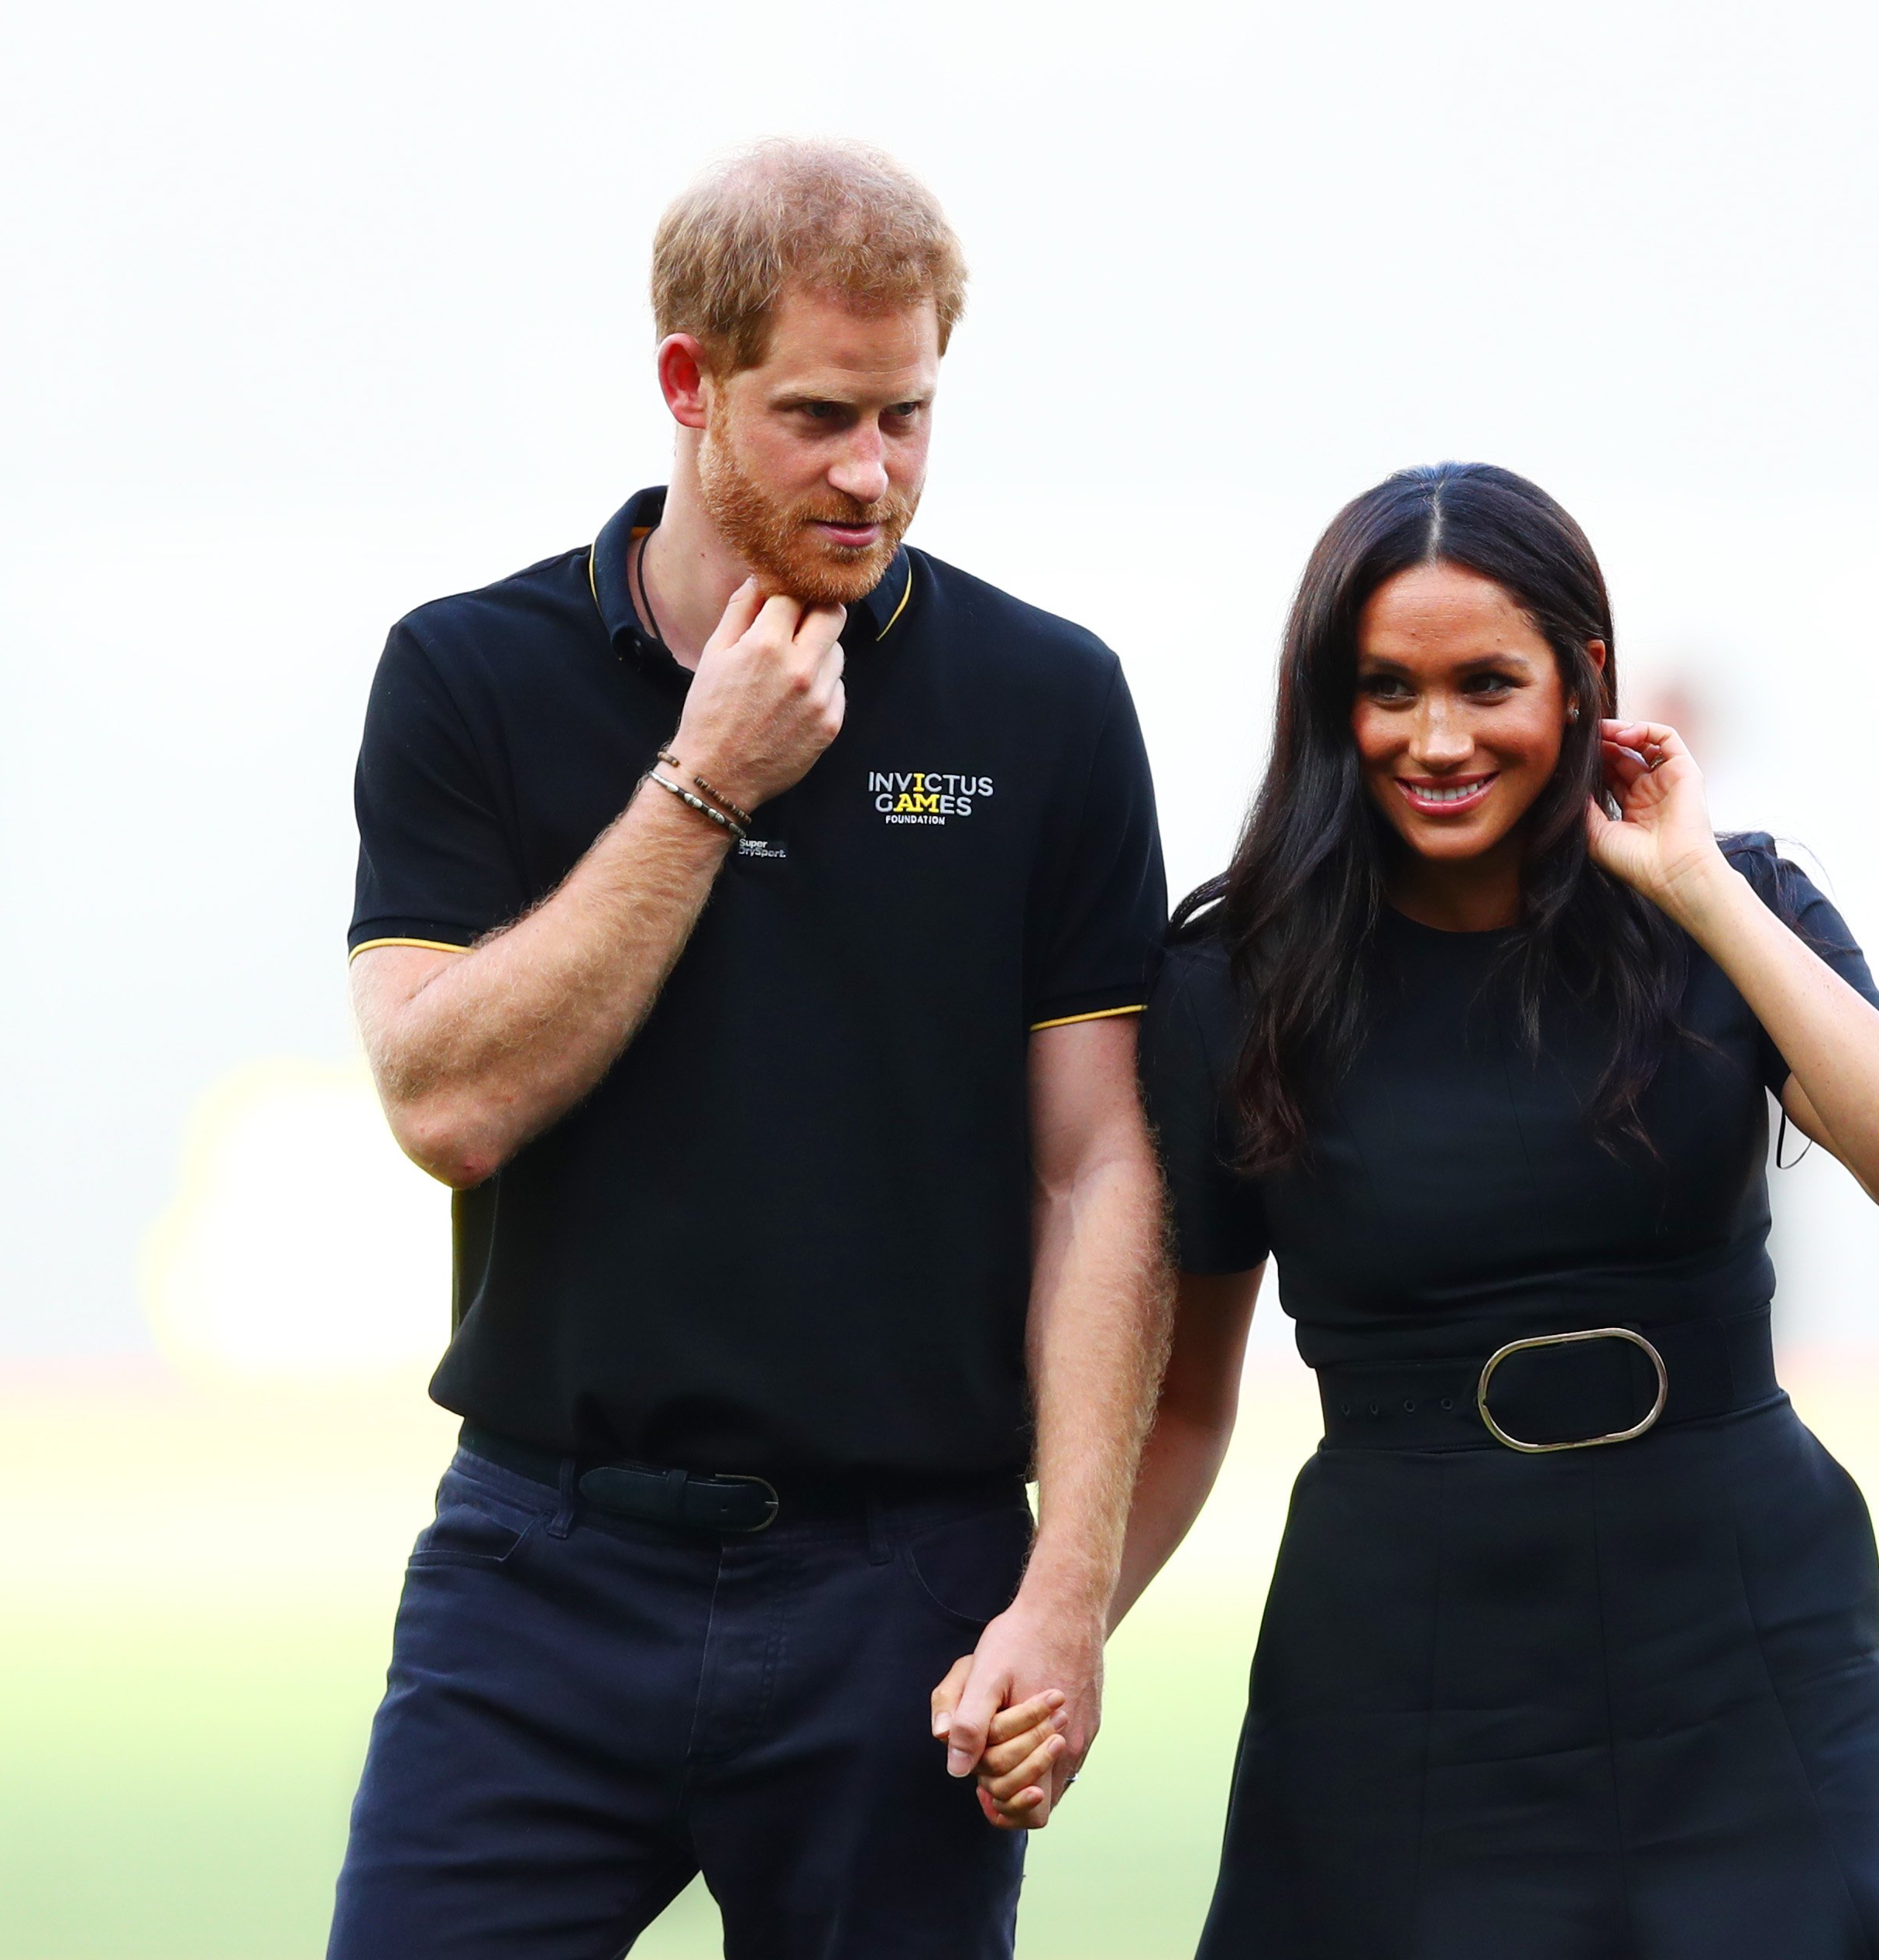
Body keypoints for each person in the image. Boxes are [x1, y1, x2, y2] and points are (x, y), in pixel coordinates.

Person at [328, 140, 1170, 1959]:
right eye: (816, 416)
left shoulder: (1047, 701)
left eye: (910, 416)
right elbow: (445, 1103)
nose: (872, 474)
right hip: (541, 1569)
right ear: (686, 384)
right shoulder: (468, 677)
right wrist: (705, 785)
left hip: (907, 1581)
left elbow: (1097, 1163)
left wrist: (1066, 1592)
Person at [973, 463, 1879, 1953]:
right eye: (1386, 689)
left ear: (1584, 679)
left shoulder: (1730, 906)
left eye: (1487, 684)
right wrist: (1058, 1635)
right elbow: (1185, 1403)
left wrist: (1699, 889)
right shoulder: (1238, 979)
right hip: (1406, 1633)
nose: (1435, 738)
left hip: (1738, 1613)